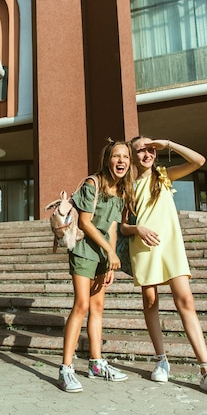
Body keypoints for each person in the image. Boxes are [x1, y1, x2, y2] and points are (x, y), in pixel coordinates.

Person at [119, 136, 207, 399]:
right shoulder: (127, 186)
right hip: (144, 246)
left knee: (186, 300)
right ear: (132, 154)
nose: (148, 154)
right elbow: (122, 226)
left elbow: (199, 161)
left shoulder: (164, 176)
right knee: (150, 302)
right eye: (142, 150)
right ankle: (161, 359)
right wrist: (137, 228)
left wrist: (168, 144)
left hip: (170, 246)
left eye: (151, 150)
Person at [58, 139, 135, 393]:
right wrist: (111, 251)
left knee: (98, 307)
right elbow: (86, 222)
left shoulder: (121, 191)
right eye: (116, 156)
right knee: (81, 304)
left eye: (125, 157)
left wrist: (111, 262)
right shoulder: (93, 183)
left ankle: (96, 364)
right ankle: (66, 369)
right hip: (83, 251)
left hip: (102, 255)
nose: (121, 160)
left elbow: (112, 227)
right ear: (107, 160)